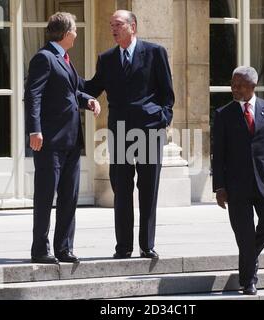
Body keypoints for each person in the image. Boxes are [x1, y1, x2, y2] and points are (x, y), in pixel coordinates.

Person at [84, 10, 175, 259]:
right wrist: (65, 79)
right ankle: (123, 247)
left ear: (132, 27)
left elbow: (167, 93)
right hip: (121, 131)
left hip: (150, 130)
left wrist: (164, 119)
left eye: (118, 24)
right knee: (121, 188)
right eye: (111, 24)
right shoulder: (107, 59)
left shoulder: (155, 52)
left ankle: (147, 245)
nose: (113, 28)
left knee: (148, 188)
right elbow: (92, 87)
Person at [24, 12, 100, 264]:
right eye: (75, 30)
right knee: (46, 196)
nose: (77, 34)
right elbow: (33, 95)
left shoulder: (64, 60)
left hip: (71, 141)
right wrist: (34, 129)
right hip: (49, 142)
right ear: (66, 34)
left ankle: (64, 248)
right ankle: (40, 249)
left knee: (70, 196)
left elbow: (72, 90)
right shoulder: (44, 58)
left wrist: (87, 99)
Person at [212, 66, 264, 295]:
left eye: (240, 85)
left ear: (252, 87)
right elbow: (219, 154)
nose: (234, 88)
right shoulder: (224, 114)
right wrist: (219, 187)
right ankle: (249, 281)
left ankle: (247, 259)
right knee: (244, 235)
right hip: (236, 187)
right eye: (233, 84)